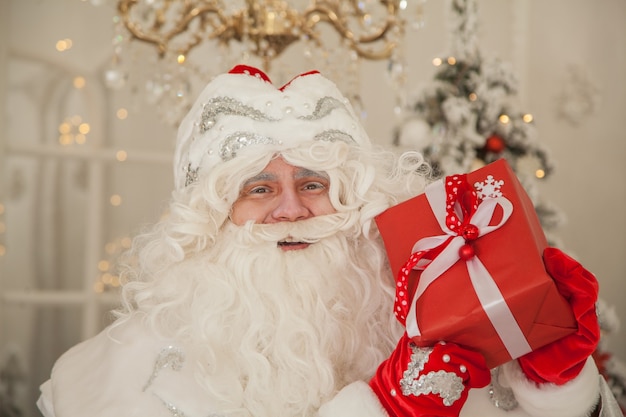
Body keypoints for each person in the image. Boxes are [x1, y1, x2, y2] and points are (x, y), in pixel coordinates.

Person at [37, 65, 622, 417]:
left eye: (313, 184)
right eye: (259, 188)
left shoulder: (431, 323)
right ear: (210, 217)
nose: (292, 209)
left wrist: (560, 386)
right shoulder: (109, 377)